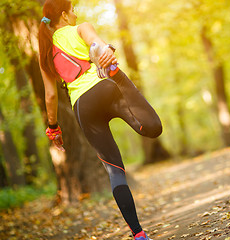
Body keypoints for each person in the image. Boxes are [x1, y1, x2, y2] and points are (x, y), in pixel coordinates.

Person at [38, 0, 162, 239]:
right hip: (106, 89)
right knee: (152, 128)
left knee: (115, 171)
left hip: (83, 108)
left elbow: (51, 95)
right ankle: (121, 78)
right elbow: (99, 46)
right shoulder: (80, 28)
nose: (75, 14)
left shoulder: (44, 53)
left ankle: (139, 234)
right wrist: (106, 52)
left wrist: (53, 128)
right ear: (64, 15)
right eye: (72, 10)